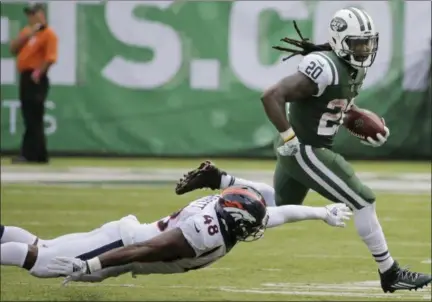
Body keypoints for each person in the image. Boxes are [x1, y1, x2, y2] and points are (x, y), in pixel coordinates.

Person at [254, 7, 430, 293]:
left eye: (368, 42)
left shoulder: (350, 69)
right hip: (305, 148)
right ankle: (390, 272)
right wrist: (289, 138)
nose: (364, 49)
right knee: (364, 200)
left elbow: (334, 107)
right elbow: (271, 95)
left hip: (304, 148)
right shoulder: (323, 66)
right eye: (358, 43)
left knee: (276, 208)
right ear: (339, 41)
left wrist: (359, 122)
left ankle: (222, 189)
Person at [1, 183, 351, 283]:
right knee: (41, 262)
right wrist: (90, 266)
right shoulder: (206, 233)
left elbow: (280, 214)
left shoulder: (227, 211)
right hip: (122, 247)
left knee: (38, 246)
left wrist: (322, 212)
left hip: (126, 239)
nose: (257, 229)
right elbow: (144, 252)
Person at [9, 3, 58, 164]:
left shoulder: (48, 34)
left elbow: (50, 57)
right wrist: (28, 34)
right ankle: (37, 154)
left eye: (33, 13)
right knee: (29, 115)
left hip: (36, 77)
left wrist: (38, 73)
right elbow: (13, 48)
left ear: (41, 14)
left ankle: (32, 154)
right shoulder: (28, 32)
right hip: (25, 76)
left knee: (34, 115)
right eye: (29, 14)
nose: (30, 17)